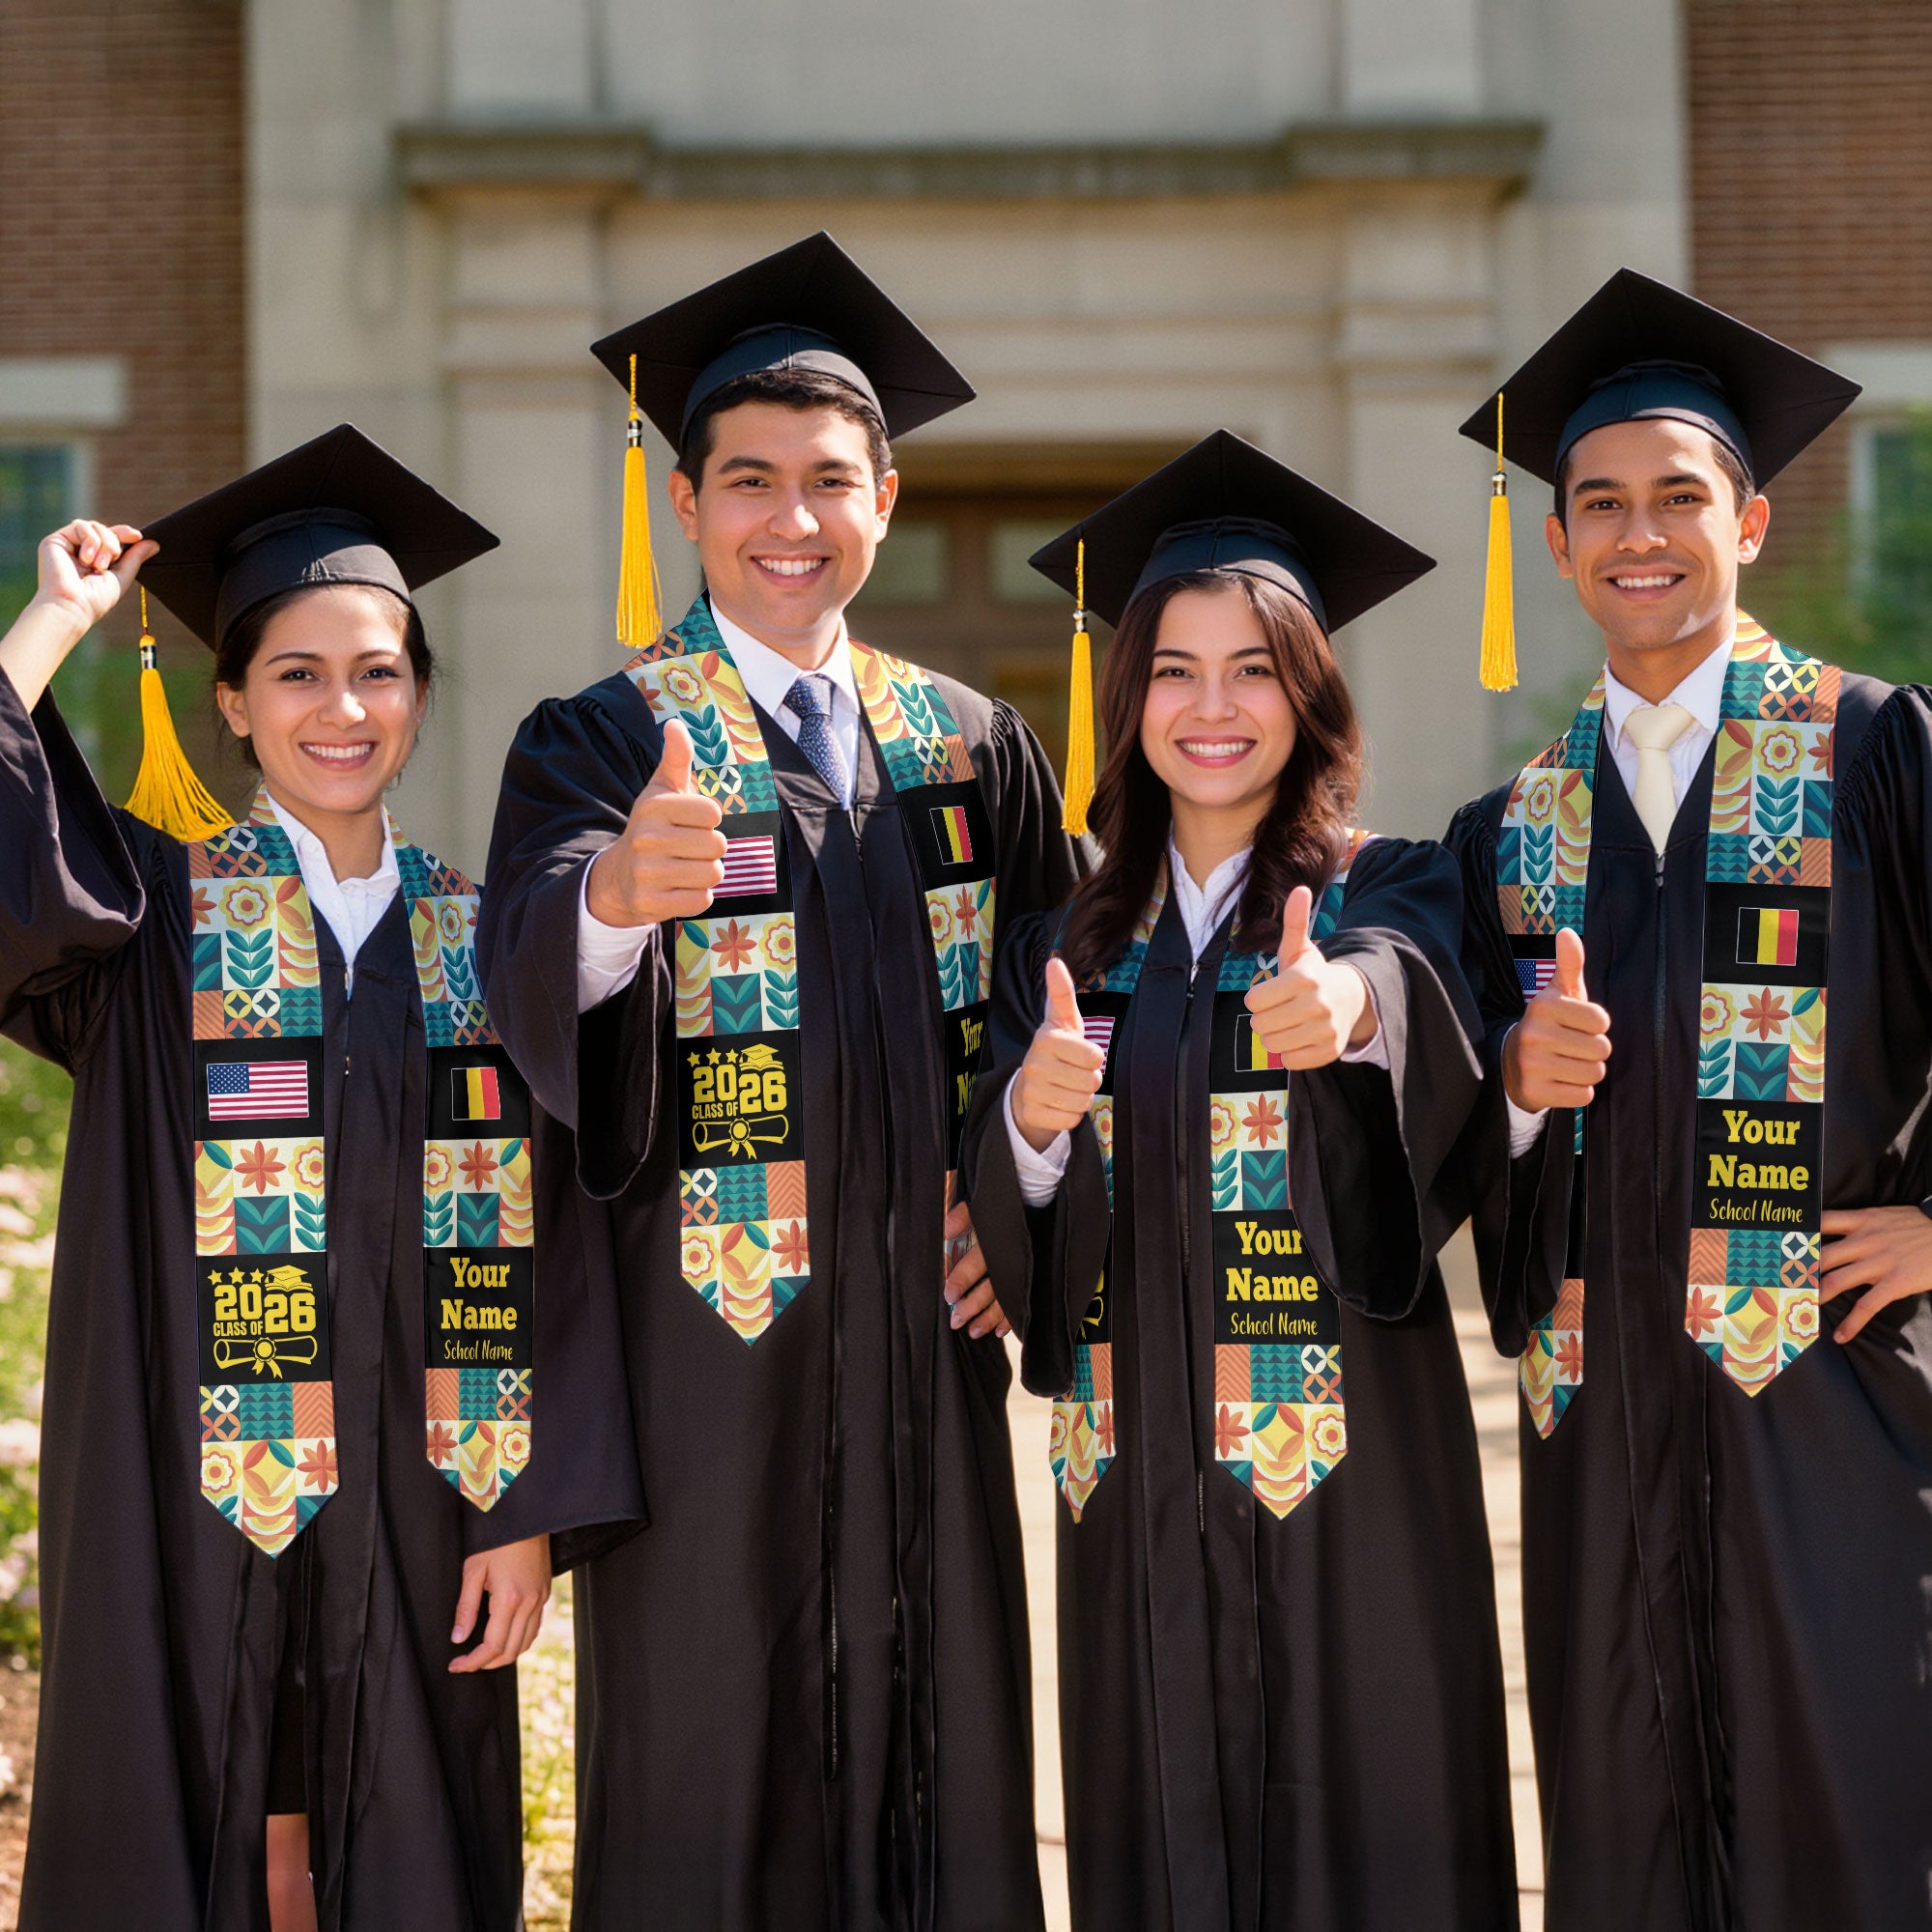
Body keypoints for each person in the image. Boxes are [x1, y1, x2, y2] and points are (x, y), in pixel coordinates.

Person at [478, 233, 1082, 1931]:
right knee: (709, 1771)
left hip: (924, 1352)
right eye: (749, 482)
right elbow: (522, 967)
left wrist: (1021, 1201)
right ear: (686, 503)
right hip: (708, 1364)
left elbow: (1073, 1009)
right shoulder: (600, 739)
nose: (790, 519)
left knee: (942, 1757)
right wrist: (610, 899)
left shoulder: (974, 742)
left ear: (886, 497)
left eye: (831, 481)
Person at [0, 425, 641, 1932]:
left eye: (378, 671)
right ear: (230, 701)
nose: (340, 708)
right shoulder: (148, 921)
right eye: (295, 673)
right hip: (186, 1483)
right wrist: (51, 624)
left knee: (409, 1840)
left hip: (431, 1495)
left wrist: (526, 1508)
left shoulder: (491, 944)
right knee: (195, 1812)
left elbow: (561, 1248)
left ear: (420, 693)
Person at [963, 431, 1518, 1931]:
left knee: (1375, 1822)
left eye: (1256, 668)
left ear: (1311, 692)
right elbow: (1014, 1209)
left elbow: (1417, 997)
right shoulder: (1062, 946)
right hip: (1133, 1467)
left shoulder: (1388, 884)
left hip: (1352, 1467)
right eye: (1175, 670)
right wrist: (1029, 1115)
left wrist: (1348, 1013)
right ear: (1127, 695)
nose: (1214, 709)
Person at [1446, 270, 1932, 1931]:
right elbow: (1448, 1141)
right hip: (1603, 1427)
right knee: (1625, 1825)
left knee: (1854, 1812)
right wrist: (1513, 1093)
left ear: (1753, 518)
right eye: (1599, 504)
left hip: (1835, 1405)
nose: (1637, 534)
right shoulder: (1511, 832)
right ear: (1562, 543)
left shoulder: (1875, 753)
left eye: (1678, 497)